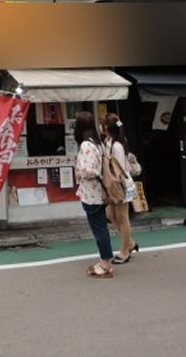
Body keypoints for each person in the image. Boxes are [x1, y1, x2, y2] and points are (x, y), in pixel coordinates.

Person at [74, 111, 113, 279]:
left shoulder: (86, 145)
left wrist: (79, 171)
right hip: (99, 192)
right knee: (101, 227)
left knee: (99, 229)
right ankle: (105, 260)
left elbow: (90, 170)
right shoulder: (98, 144)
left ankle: (105, 263)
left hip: (91, 193)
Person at [101, 113, 139, 265]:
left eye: (102, 124)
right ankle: (129, 243)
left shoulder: (116, 145)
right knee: (110, 214)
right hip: (116, 184)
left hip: (119, 184)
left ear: (106, 127)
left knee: (122, 218)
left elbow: (119, 168)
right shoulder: (110, 141)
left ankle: (125, 252)